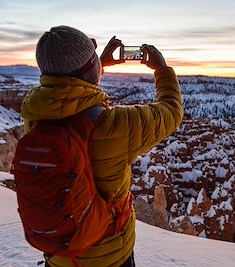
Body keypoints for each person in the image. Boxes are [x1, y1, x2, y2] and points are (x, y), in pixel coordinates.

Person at [21, 26, 183, 267]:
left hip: (60, 254)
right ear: (91, 68)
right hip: (110, 256)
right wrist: (162, 69)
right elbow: (172, 110)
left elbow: (66, 95)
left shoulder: (35, 117)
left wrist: (97, 64)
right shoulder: (115, 125)